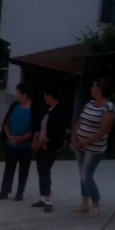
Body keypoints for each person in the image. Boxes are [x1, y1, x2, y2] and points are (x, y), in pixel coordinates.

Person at [71, 78, 115, 216]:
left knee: (87, 175)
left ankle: (95, 202)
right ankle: (84, 203)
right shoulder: (90, 103)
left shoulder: (109, 108)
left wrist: (84, 143)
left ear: (100, 89)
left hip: (94, 149)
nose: (91, 88)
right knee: (82, 175)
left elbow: (102, 131)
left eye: (93, 86)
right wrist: (74, 137)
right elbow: (80, 121)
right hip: (80, 145)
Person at [0, 83, 36, 201]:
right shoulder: (15, 106)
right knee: (9, 168)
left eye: (18, 93)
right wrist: (9, 136)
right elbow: (7, 123)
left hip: (25, 146)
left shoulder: (33, 109)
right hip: (11, 143)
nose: (16, 95)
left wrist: (22, 138)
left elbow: (35, 129)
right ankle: (5, 190)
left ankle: (20, 192)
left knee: (23, 169)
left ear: (25, 94)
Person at [31, 85, 67, 213]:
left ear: (51, 95)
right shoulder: (47, 109)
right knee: (41, 169)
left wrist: (41, 142)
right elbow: (40, 125)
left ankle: (48, 199)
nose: (44, 98)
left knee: (45, 169)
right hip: (41, 144)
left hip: (52, 146)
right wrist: (36, 140)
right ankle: (43, 197)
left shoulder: (60, 111)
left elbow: (55, 132)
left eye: (46, 95)